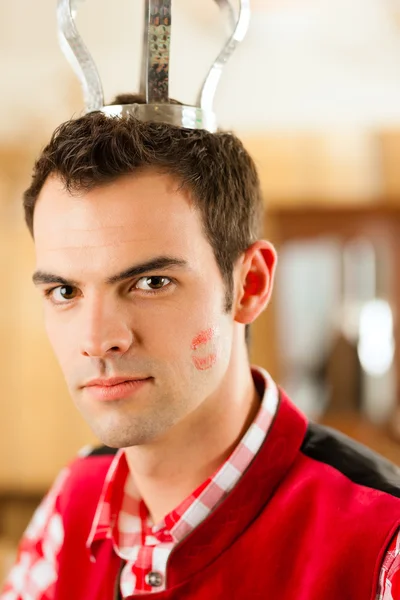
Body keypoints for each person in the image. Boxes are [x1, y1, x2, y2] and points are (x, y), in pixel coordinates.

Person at [1, 93, 400, 600]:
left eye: (150, 283)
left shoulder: (383, 543)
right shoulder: (74, 499)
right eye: (65, 291)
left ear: (250, 285)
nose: (98, 339)